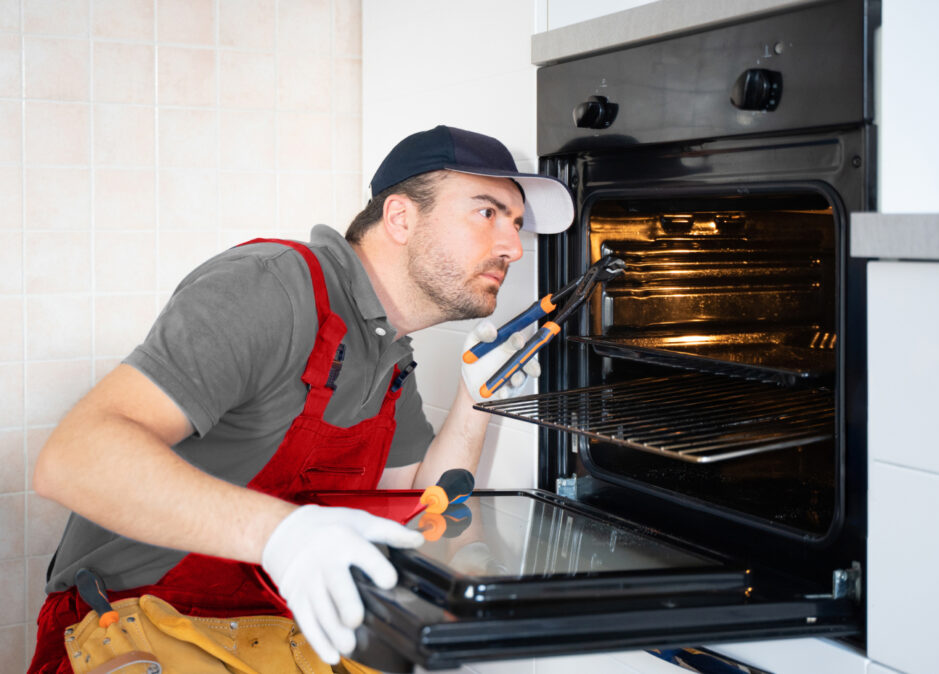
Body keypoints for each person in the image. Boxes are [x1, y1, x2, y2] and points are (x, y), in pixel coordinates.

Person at [29, 125, 574, 673]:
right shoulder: (270, 287)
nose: (511, 247)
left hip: (279, 630)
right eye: (488, 213)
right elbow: (72, 461)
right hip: (140, 621)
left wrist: (474, 399)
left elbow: (415, 504)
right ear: (401, 217)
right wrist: (280, 534)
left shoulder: (390, 354)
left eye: (516, 224)